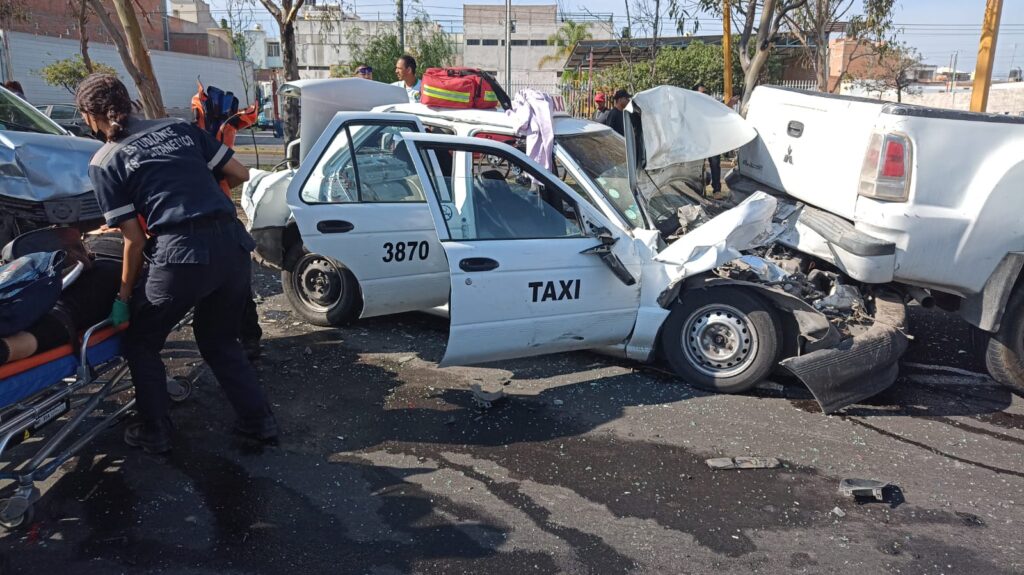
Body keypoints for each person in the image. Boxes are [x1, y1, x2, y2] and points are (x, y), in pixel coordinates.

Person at [76, 73, 277, 454]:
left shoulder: (105, 160)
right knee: (219, 339)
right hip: (232, 244)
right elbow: (239, 173)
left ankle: (155, 428)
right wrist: (198, 199)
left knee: (141, 341)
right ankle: (259, 423)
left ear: (90, 116)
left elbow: (134, 240)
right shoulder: (178, 128)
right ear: (129, 102)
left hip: (182, 254)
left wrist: (122, 297)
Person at [693, 83, 721, 196]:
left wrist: (730, 104)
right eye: (701, 93)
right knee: (697, 166)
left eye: (705, 93)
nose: (703, 95)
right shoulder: (690, 107)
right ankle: (698, 190)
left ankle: (717, 190)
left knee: (715, 164)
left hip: (711, 140)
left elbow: (721, 112)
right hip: (697, 141)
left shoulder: (710, 104)